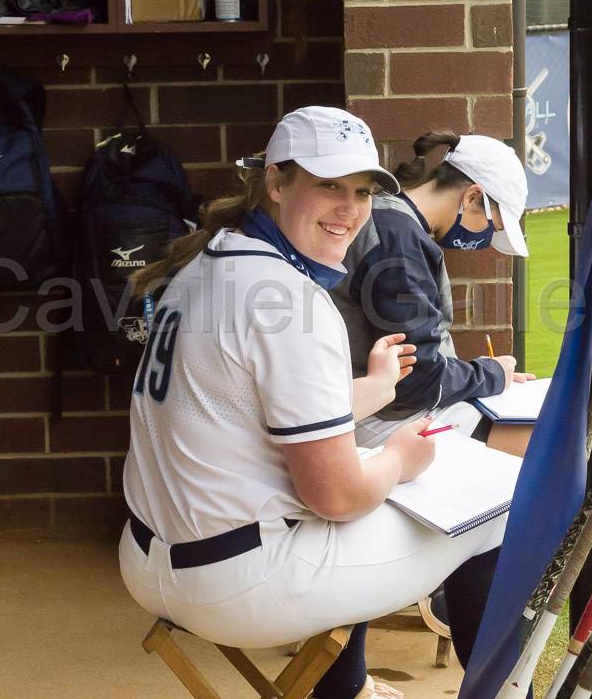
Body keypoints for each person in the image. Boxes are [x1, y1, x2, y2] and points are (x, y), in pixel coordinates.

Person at [119, 107, 521, 699]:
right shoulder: (291, 299)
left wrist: (378, 389)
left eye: (360, 191)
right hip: (236, 583)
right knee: (494, 510)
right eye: (328, 184)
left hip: (152, 560)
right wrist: (401, 461)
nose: (350, 209)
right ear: (277, 183)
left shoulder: (205, 262)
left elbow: (247, 411)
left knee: (372, 489)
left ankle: (345, 686)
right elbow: (335, 496)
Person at [332, 131, 535, 454]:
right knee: (538, 443)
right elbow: (418, 380)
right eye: (490, 225)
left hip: (371, 405)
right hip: (379, 415)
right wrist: (492, 373)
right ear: (471, 197)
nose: (483, 240)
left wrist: (481, 373)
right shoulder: (398, 240)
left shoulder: (394, 220)